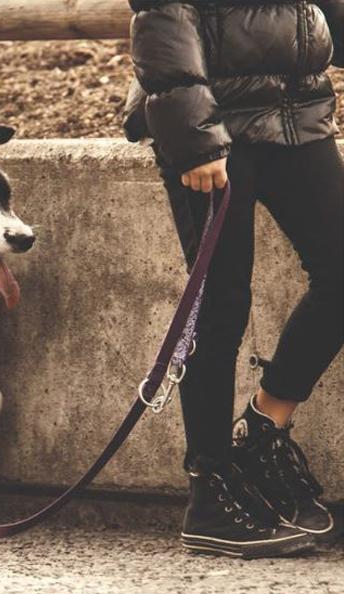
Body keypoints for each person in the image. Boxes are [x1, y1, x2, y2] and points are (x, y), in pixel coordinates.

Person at [123, 0, 343, 558]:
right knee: (221, 303)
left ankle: (265, 431)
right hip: (213, 121)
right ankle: (211, 490)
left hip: (298, 111)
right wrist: (194, 136)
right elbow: (162, 14)